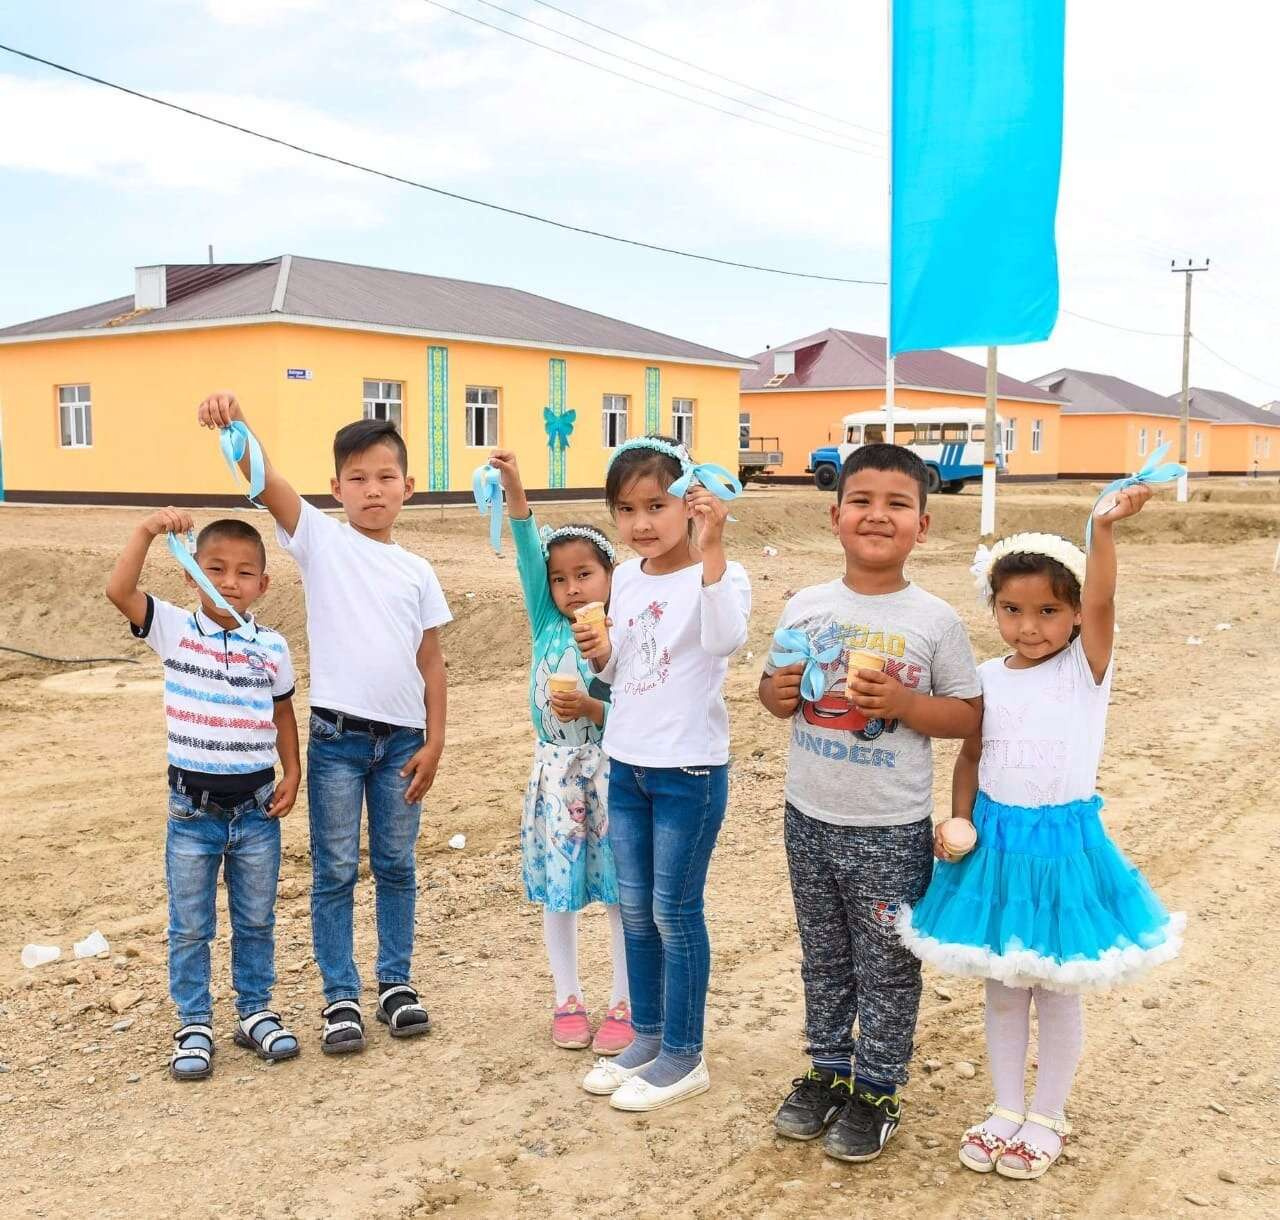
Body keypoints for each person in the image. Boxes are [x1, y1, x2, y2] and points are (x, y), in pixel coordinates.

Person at [900, 493, 1185, 1181]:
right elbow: (969, 754)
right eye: (1013, 610)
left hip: (1062, 850)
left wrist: (1103, 528)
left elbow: (1108, 600)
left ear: (1078, 613)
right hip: (994, 847)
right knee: (1002, 986)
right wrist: (956, 818)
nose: (1029, 627)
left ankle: (1047, 1114)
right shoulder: (986, 679)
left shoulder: (1087, 670)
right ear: (993, 608)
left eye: (1050, 611)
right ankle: (1004, 1107)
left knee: (1056, 987)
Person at [196, 393, 451, 1054]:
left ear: (408, 487)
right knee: (335, 869)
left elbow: (431, 660)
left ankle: (396, 985)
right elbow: (266, 480)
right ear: (336, 487)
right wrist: (237, 425)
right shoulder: (321, 540)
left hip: (402, 745)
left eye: (385, 477)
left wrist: (435, 740)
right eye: (357, 478)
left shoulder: (419, 571)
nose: (372, 490)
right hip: (336, 742)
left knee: (396, 865)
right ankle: (340, 997)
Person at [759, 444, 982, 1163]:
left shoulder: (935, 620)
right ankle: (827, 1071)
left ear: (924, 524)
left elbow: (970, 716)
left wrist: (908, 703)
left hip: (889, 829)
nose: (876, 515)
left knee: (887, 966)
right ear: (834, 515)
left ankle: (878, 1088)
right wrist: (779, 694)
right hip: (807, 817)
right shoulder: (806, 605)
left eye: (896, 504)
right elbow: (770, 693)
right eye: (861, 500)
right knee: (822, 959)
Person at [573, 435, 750, 1113]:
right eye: (626, 508)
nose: (642, 522)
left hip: (688, 769)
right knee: (638, 913)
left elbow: (724, 639)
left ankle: (684, 1053)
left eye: (657, 504)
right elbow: (624, 675)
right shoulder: (626, 577)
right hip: (629, 762)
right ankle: (647, 1038)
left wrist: (713, 543)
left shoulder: (721, 573)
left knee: (676, 913)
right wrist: (603, 652)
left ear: (688, 501)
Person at [106, 510, 300, 1080]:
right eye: (214, 569)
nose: (229, 582)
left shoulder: (272, 647)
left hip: (258, 810)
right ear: (192, 574)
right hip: (191, 811)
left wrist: (292, 771)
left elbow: (284, 712)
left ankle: (254, 1011)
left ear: (264, 584)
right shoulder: (173, 629)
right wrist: (145, 531)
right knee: (191, 923)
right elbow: (119, 590)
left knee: (256, 919)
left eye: (244, 572)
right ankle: (193, 1022)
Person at [486, 448, 632, 1056]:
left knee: (623, 892)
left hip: (613, 774)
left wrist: (595, 710)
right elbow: (525, 544)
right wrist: (514, 486)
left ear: (612, 577)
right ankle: (567, 995)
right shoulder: (547, 622)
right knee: (560, 888)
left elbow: (642, 710)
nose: (572, 588)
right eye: (561, 579)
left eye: (585, 575)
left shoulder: (625, 629)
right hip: (555, 774)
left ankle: (627, 999)